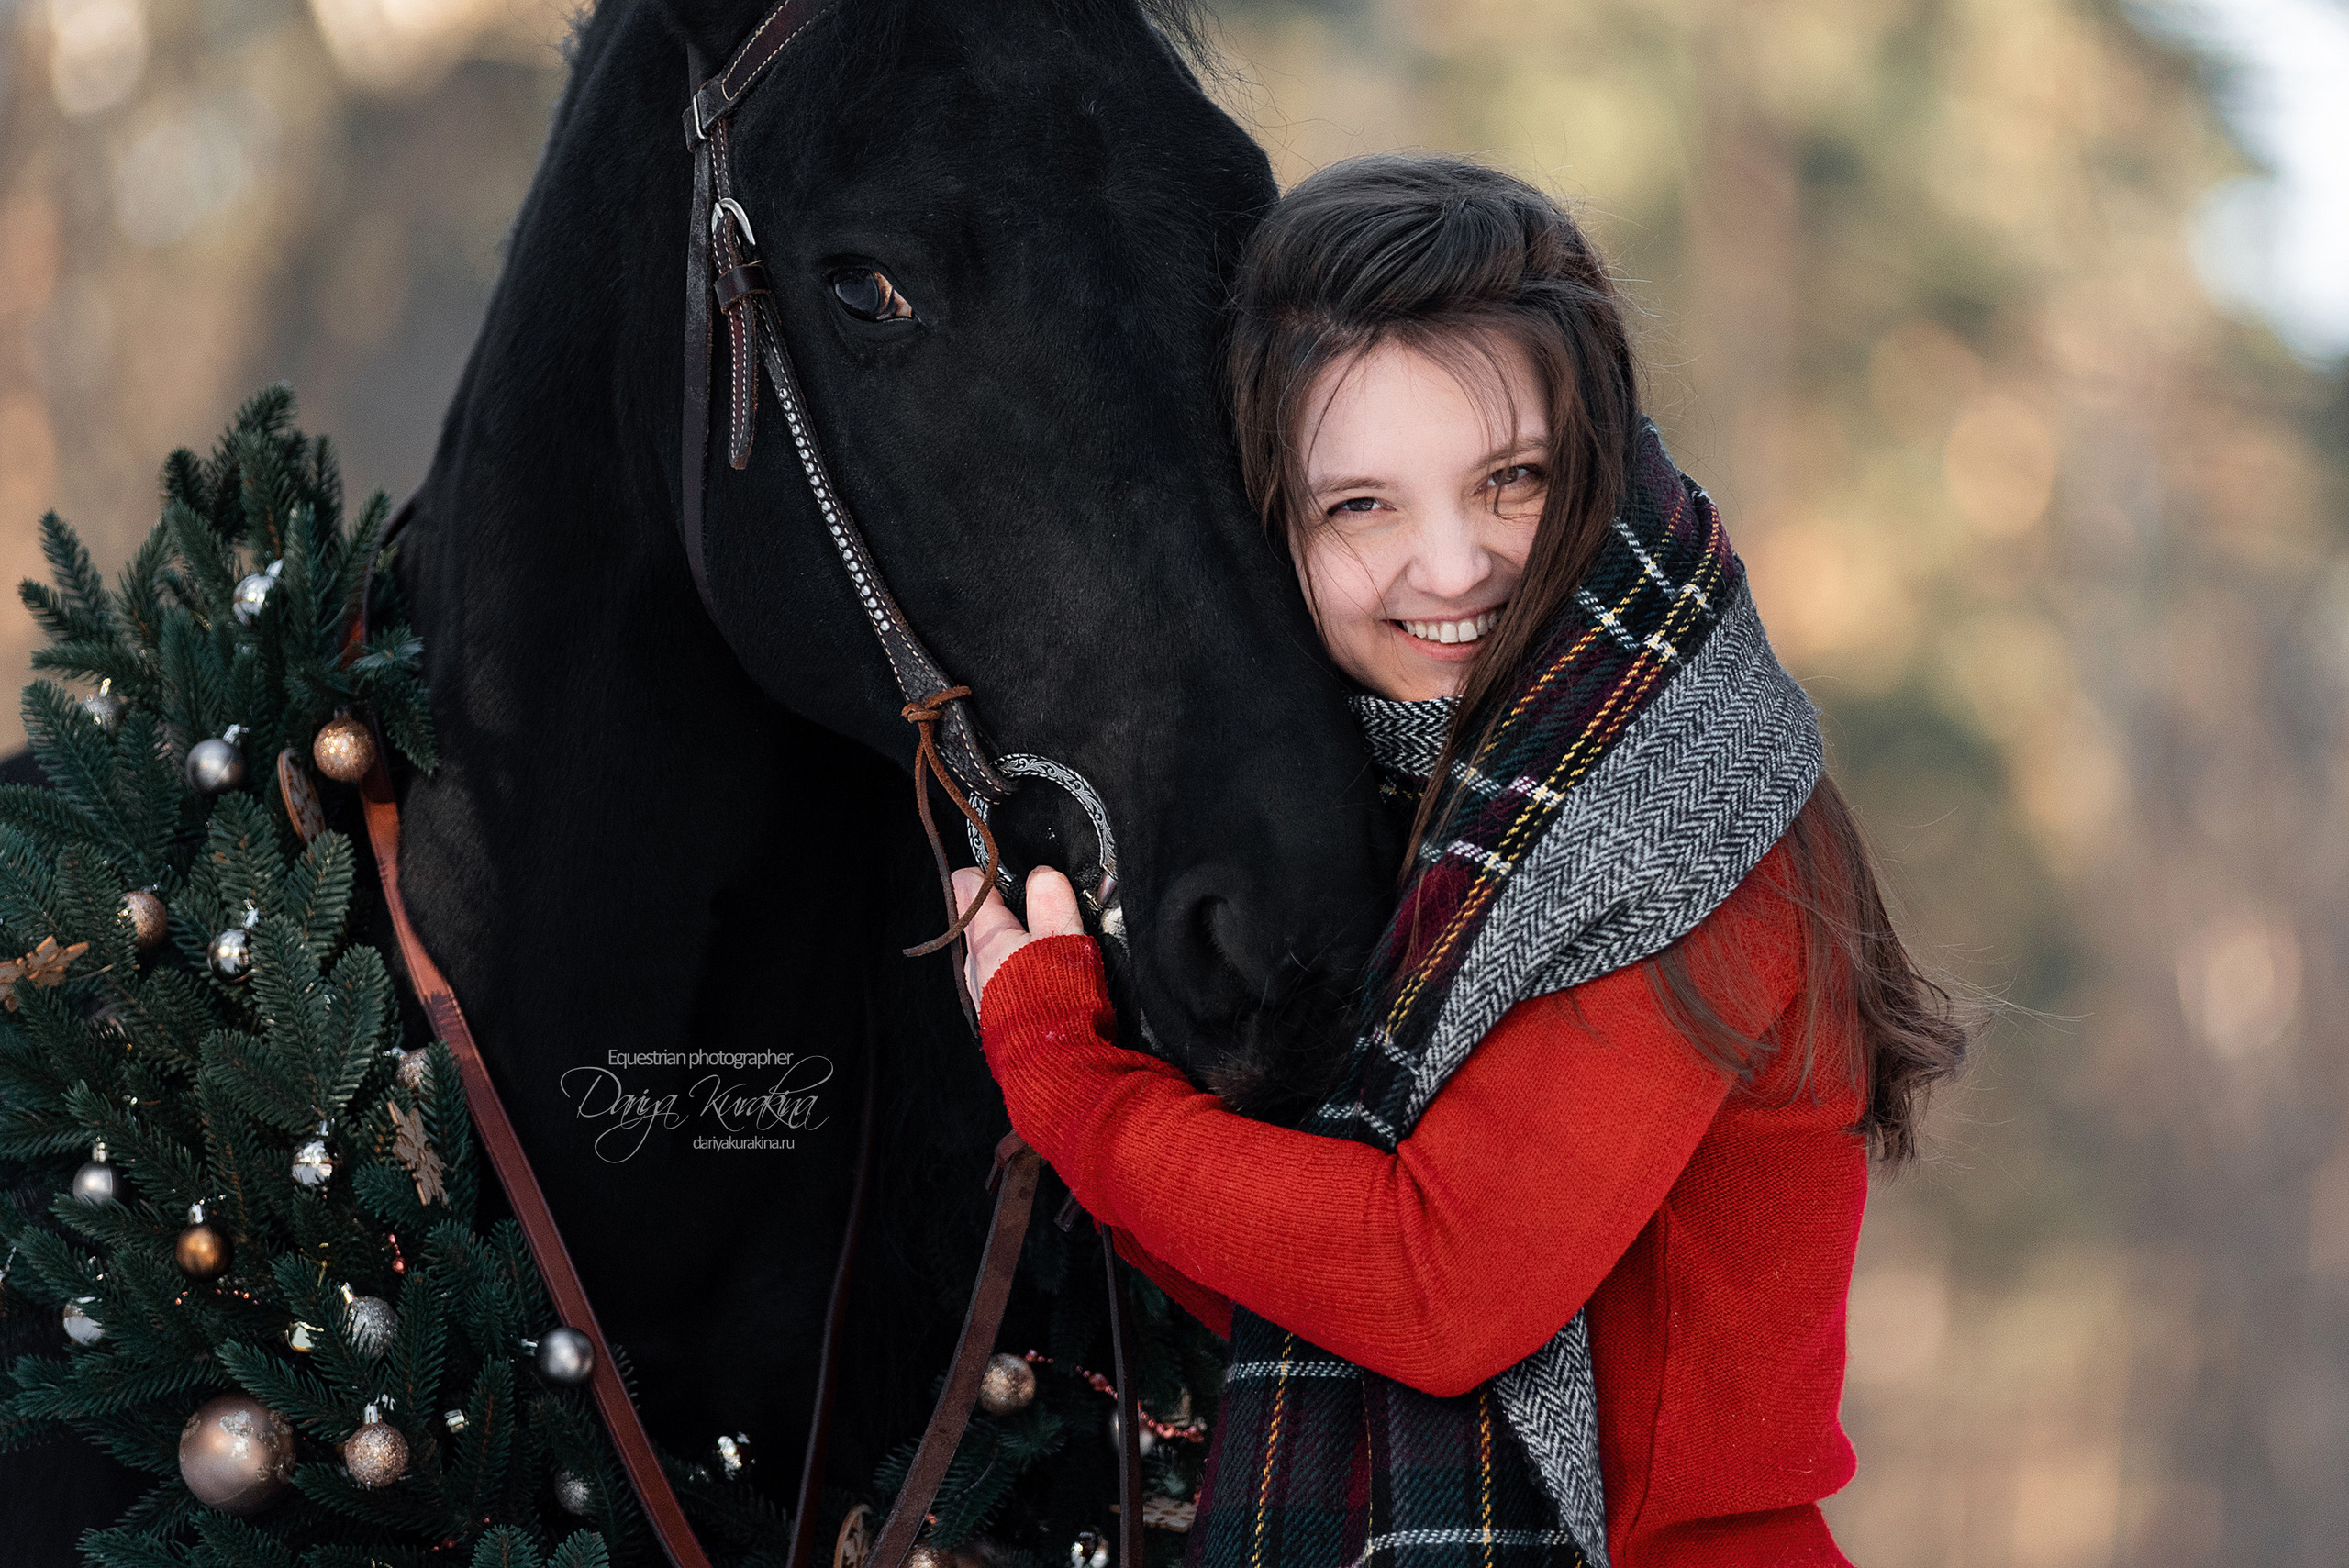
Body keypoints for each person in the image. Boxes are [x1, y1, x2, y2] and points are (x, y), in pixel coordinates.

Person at [947, 155, 1967, 1568]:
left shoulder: (1682, 812)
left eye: (1511, 482)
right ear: (1276, 536)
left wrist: (1074, 1081)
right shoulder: (1420, 812)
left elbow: (1438, 1287)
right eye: (1359, 506)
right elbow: (1302, 1292)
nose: (1451, 567)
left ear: (1599, 464)